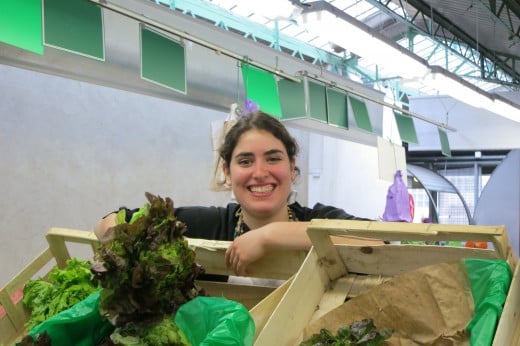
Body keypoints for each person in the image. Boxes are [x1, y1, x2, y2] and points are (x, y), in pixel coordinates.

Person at [94, 110, 382, 276]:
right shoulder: (209, 225)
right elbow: (109, 222)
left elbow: (379, 242)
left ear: (292, 168)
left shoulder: (320, 218)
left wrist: (270, 237)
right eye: (245, 161)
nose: (260, 172)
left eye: (273, 158)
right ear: (228, 173)